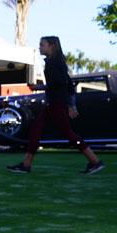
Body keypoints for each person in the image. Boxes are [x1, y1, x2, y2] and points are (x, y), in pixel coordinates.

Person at [7, 36, 104, 175]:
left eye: (42, 45)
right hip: (55, 103)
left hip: (56, 103)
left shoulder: (53, 63)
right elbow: (67, 84)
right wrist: (70, 104)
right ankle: (26, 164)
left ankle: (95, 161)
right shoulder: (58, 62)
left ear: (51, 46)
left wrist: (41, 87)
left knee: (67, 133)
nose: (40, 47)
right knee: (36, 130)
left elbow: (59, 84)